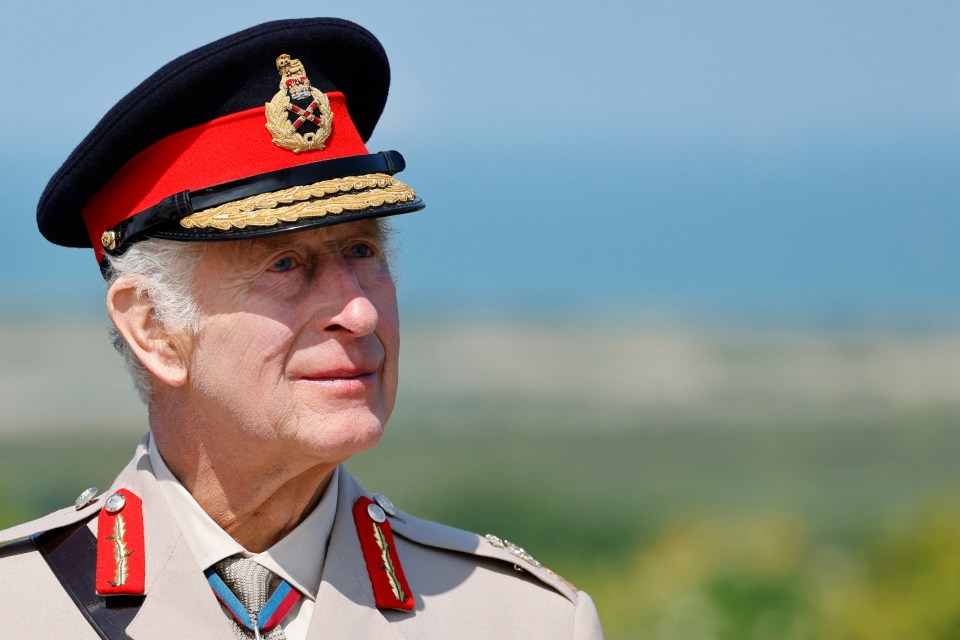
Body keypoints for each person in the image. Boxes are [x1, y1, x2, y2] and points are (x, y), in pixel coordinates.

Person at [0, 18, 603, 640]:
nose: (361, 312)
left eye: (363, 251)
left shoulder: (524, 620)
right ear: (154, 327)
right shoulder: (19, 606)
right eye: (285, 264)